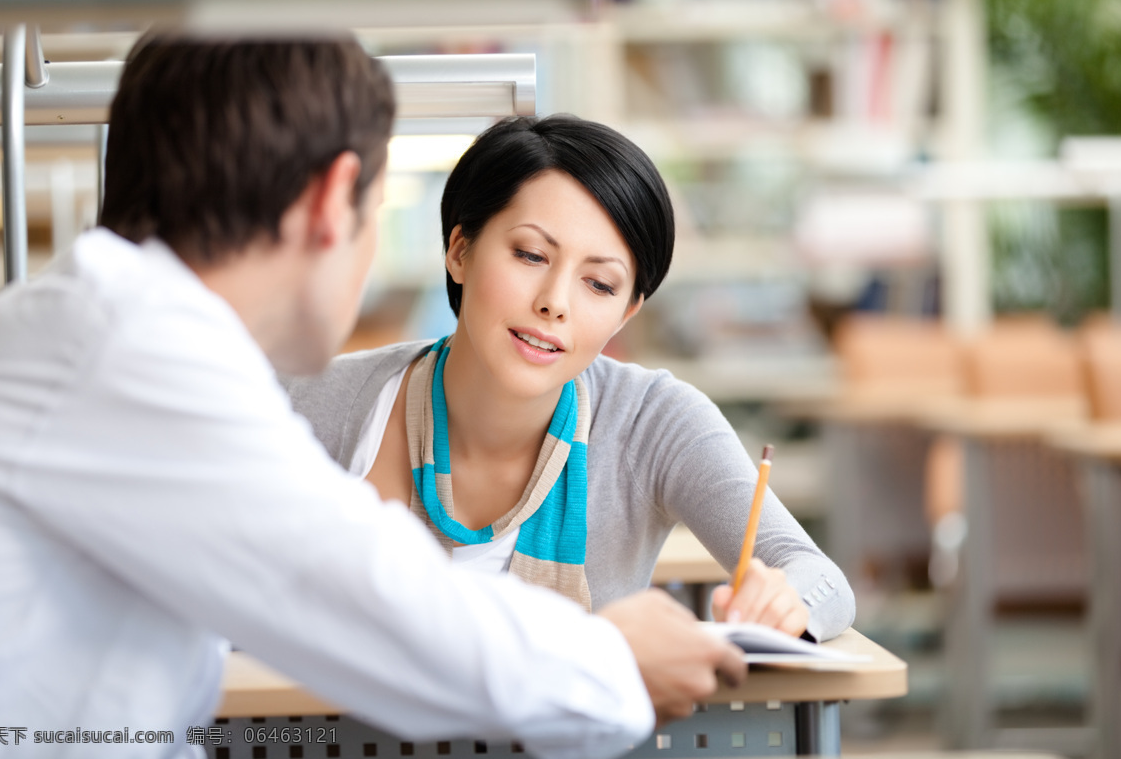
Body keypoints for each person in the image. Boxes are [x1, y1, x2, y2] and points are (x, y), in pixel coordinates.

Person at [0, 34, 750, 758]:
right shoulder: (127, 351)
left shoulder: (110, 329)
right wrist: (610, 657)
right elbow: (366, 597)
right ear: (336, 200)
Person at [285, 115, 855, 641]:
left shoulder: (654, 422)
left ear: (627, 312)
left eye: (600, 285)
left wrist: (787, 605)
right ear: (460, 251)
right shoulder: (314, 401)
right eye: (531, 255)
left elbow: (819, 578)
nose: (555, 303)